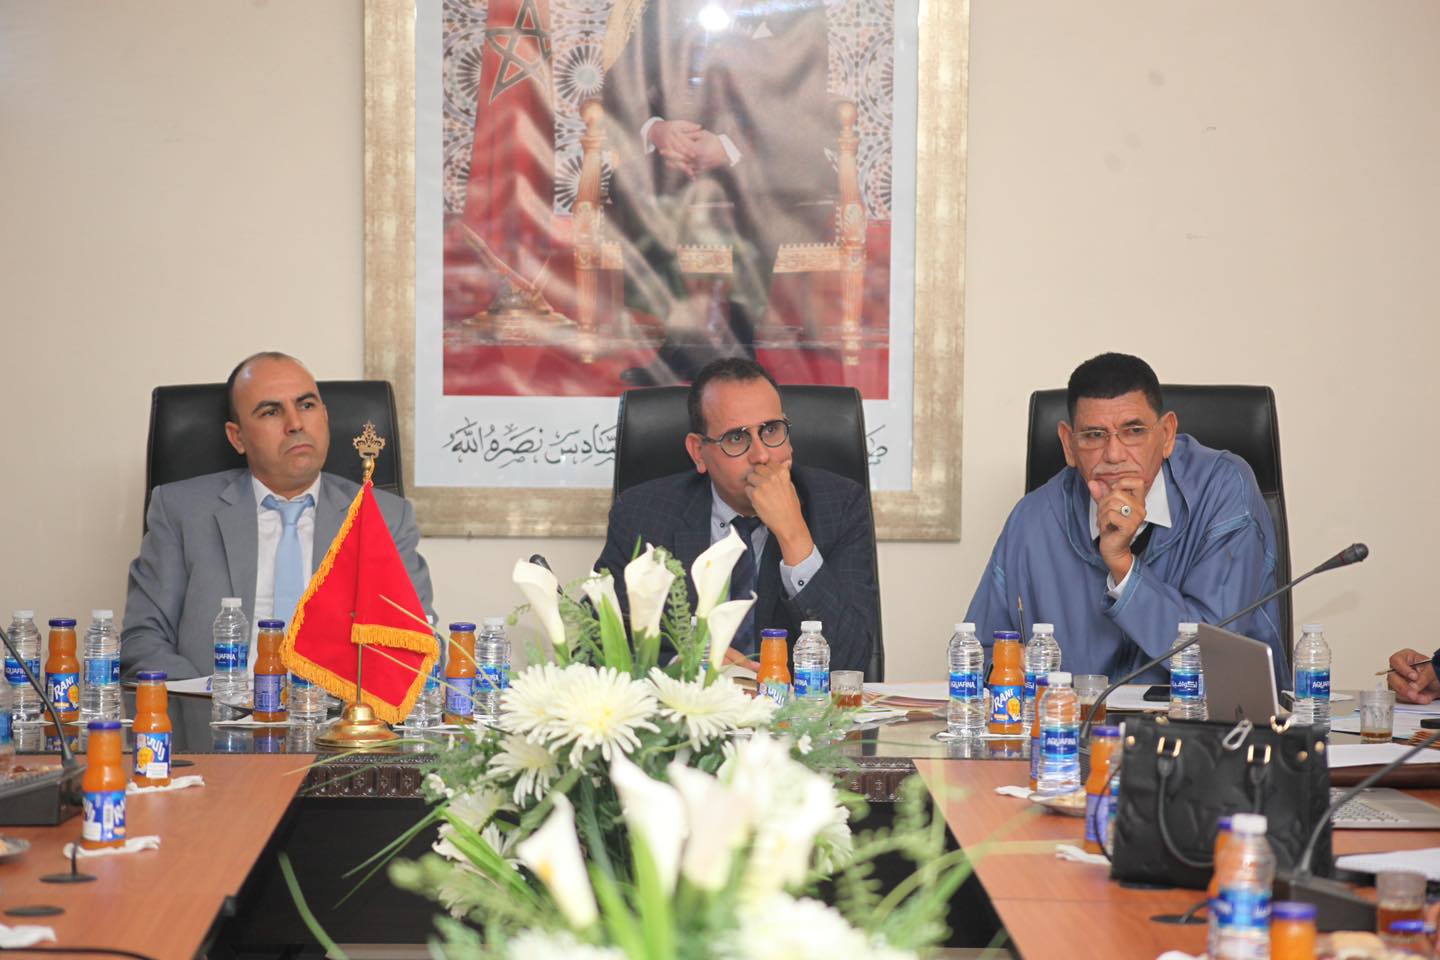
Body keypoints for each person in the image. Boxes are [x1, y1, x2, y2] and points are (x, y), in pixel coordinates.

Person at [965, 353, 1288, 685]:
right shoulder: (1032, 520)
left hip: (1203, 718)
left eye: (1133, 431)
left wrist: (1123, 566)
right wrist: (1010, 671)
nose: (1114, 455)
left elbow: (1215, 658)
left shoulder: (1223, 490)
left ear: (1166, 434)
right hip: (1073, 718)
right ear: (1069, 445)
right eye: (1094, 435)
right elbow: (975, 655)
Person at [120, 352, 433, 679]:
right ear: (237, 437)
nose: (295, 423)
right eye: (271, 411)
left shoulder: (384, 517)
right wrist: (206, 697)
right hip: (215, 707)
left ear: (325, 417)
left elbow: (414, 645)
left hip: (337, 708)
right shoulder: (181, 510)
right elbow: (143, 639)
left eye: (307, 405)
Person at [601, 0, 837, 384]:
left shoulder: (798, 12)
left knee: (755, 189)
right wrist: (657, 131)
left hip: (760, 159)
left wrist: (729, 148)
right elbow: (617, 85)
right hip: (673, 160)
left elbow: (805, 106)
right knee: (634, 186)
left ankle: (740, 343)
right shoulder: (666, 8)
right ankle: (680, 341)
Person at [595, 357, 877, 672]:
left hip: (792, 702)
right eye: (736, 438)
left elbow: (852, 661)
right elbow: (595, 643)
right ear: (698, 452)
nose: (761, 455)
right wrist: (684, 664)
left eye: (771, 430)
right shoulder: (643, 514)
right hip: (690, 700)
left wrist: (793, 534)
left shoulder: (839, 506)